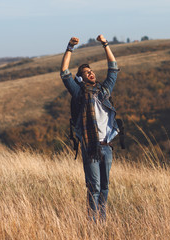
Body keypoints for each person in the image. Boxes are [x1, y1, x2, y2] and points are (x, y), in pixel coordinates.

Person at [60, 35, 120, 221]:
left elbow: (113, 68)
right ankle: (92, 222)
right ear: (82, 78)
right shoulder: (79, 92)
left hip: (106, 146)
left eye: (91, 71)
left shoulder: (104, 91)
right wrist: (70, 47)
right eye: (86, 72)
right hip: (90, 146)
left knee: (105, 187)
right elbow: (64, 72)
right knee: (93, 187)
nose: (90, 73)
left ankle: (102, 221)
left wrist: (105, 44)